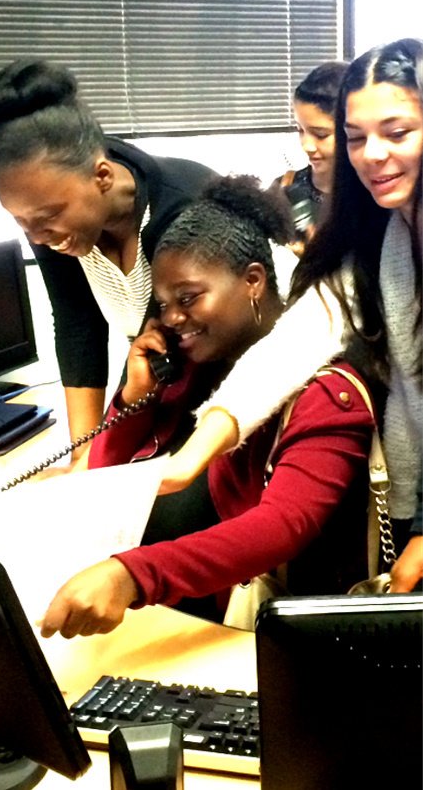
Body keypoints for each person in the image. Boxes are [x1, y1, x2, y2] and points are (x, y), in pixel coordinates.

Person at [38, 175, 375, 638]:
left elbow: (282, 524)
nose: (173, 318)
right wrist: (134, 400)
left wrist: (133, 576)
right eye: (164, 303)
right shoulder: (193, 368)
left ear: (253, 280)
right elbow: (106, 479)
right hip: (163, 621)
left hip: (248, 637)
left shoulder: (326, 392)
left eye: (189, 298)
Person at [157, 38, 422, 592]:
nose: (372, 154)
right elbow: (292, 342)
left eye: (396, 132)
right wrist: (194, 453)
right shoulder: (381, 238)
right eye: (355, 138)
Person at [0, 59, 216, 454]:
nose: (37, 238)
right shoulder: (53, 223)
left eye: (48, 218)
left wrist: (99, 462)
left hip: (218, 392)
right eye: (21, 223)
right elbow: (77, 328)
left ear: (102, 176)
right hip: (158, 383)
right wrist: (81, 455)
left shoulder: (182, 211)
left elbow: (154, 350)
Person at [272, 60, 350, 251]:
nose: (306, 145)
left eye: (320, 135)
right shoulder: (284, 189)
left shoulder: (374, 196)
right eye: (300, 130)